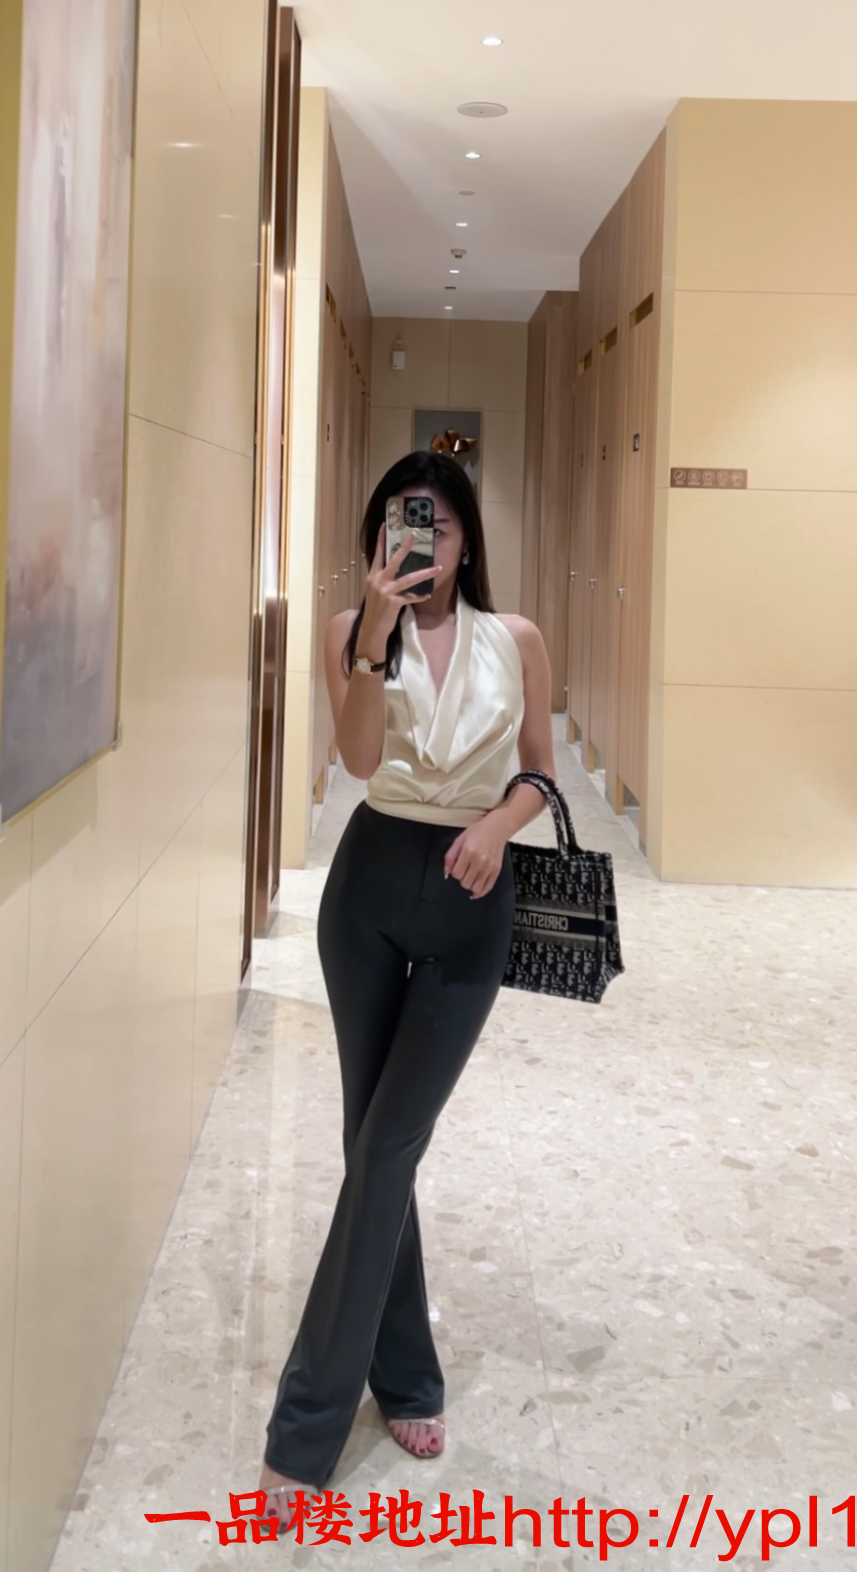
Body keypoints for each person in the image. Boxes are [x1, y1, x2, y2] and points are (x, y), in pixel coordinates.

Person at [256, 450, 555, 1530]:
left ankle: (305, 1426)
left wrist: (497, 826)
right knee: (375, 1143)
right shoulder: (352, 631)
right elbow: (353, 760)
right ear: (380, 536)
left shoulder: (516, 638)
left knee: (387, 1144)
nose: (417, 539)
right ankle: (406, 1381)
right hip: (371, 893)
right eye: (398, 520)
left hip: (474, 898)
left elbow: (539, 770)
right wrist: (373, 636)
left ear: (466, 540)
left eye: (436, 523)